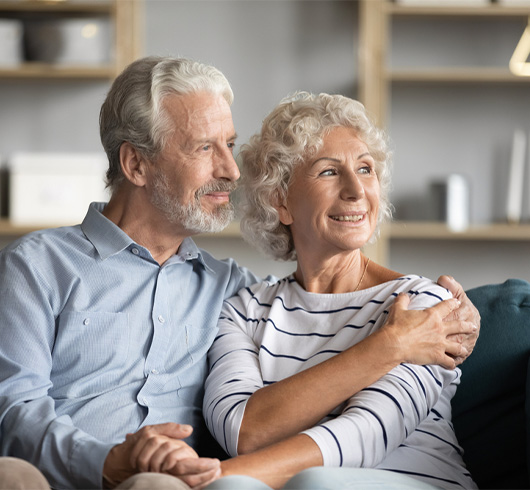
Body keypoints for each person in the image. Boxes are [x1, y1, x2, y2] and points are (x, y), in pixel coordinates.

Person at [0, 57, 478, 490]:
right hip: (57, 474)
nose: (230, 170)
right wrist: (107, 461)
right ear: (136, 164)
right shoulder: (37, 265)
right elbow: (13, 411)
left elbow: (328, 343)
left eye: (229, 145)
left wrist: (457, 314)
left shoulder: (230, 287)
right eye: (205, 148)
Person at [200, 92, 478, 489]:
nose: (355, 189)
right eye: (329, 172)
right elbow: (244, 432)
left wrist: (201, 479)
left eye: (365, 169)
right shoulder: (244, 310)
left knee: (314, 484)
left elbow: (365, 435)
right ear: (280, 201)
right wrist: (390, 345)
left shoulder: (424, 305)